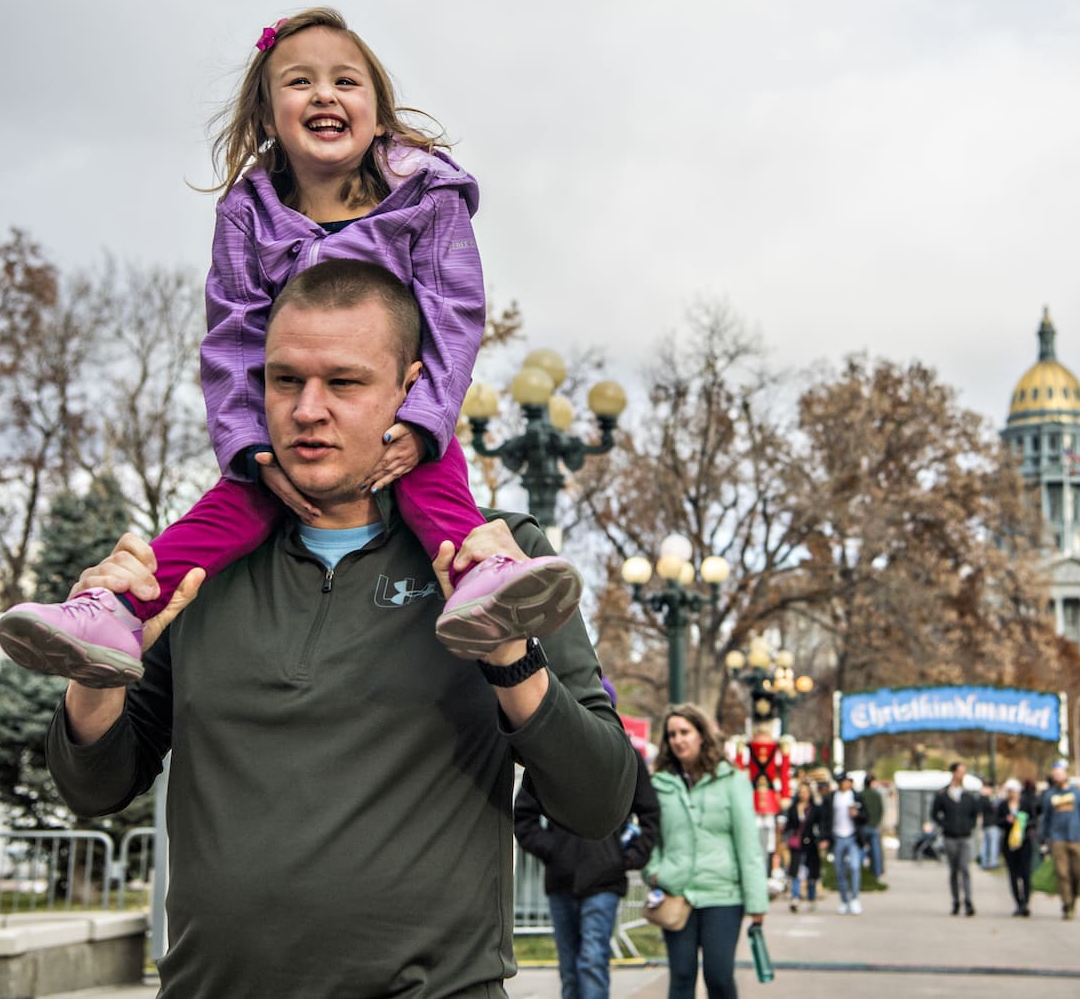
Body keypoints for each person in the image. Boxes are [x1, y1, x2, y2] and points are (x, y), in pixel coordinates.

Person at [44, 260, 637, 997]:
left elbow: (599, 798)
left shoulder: (502, 558)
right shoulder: (194, 562)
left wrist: (510, 653)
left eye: (345, 382)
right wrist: (94, 676)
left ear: (413, 390)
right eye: (285, 379)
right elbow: (94, 788)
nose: (306, 408)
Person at [0, 6, 581, 687]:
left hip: (400, 414)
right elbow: (235, 336)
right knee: (223, 512)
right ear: (270, 115)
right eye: (300, 82)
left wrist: (425, 421)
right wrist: (250, 448)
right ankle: (118, 609)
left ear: (377, 110)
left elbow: (454, 312)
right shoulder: (249, 214)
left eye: (346, 81)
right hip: (291, 437)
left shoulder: (427, 196)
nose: (325, 94)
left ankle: (482, 583)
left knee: (437, 487)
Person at [514, 686, 660, 999]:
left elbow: (649, 815)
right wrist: (552, 851)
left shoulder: (627, 759)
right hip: (562, 879)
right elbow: (523, 817)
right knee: (569, 967)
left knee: (592, 961)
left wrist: (627, 858)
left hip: (604, 879)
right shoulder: (552, 755)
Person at [646, 704, 768, 999]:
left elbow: (748, 845)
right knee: (682, 975)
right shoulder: (659, 783)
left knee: (719, 976)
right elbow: (651, 835)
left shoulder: (732, 780)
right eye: (672, 734)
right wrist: (655, 871)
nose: (678, 740)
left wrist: (757, 903)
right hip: (677, 892)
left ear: (702, 735)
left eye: (685, 732)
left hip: (723, 895)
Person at [1042, 758, 1080, 920]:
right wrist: (1044, 839)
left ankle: (1073, 899)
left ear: (1066, 774)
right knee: (1062, 873)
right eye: (1054, 774)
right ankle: (1066, 904)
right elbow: (1046, 818)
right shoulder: (1049, 796)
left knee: (1076, 873)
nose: (1057, 777)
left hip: (1076, 837)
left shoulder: (1078, 794)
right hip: (1057, 838)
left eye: (1059, 773)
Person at [930, 761, 986, 916]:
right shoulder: (943, 795)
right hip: (950, 837)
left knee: (965, 869)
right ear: (954, 773)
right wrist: (945, 825)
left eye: (964, 772)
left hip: (965, 836)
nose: (962, 775)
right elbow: (934, 814)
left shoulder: (968, 796)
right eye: (960, 772)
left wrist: (970, 826)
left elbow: (974, 814)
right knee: (954, 871)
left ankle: (968, 900)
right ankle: (956, 900)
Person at [824, 771, 867, 915]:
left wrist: (857, 814)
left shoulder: (856, 796)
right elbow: (826, 820)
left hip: (853, 837)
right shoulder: (831, 798)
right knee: (839, 870)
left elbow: (866, 816)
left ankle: (854, 898)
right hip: (837, 837)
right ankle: (844, 900)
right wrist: (824, 838)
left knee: (854, 867)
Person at [996, 778, 1040, 916]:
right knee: (1013, 874)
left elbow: (1034, 820)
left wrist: (1023, 822)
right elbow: (997, 820)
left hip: (1024, 842)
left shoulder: (1026, 804)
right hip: (1009, 843)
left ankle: (1025, 902)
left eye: (1014, 791)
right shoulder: (1003, 805)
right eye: (1010, 791)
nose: (1012, 794)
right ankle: (1018, 902)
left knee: (1025, 873)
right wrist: (1007, 820)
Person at [781, 780, 824, 912]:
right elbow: (788, 825)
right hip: (797, 844)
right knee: (796, 871)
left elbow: (820, 825)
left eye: (806, 792)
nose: (803, 794)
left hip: (811, 843)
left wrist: (822, 840)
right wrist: (784, 837)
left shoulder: (815, 809)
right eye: (801, 792)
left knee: (811, 872)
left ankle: (811, 898)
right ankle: (795, 897)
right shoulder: (793, 808)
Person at [862, 775, 887, 880]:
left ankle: (860, 872)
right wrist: (877, 823)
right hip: (874, 827)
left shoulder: (861, 794)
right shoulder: (877, 795)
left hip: (863, 826)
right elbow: (881, 811)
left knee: (860, 849)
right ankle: (876, 874)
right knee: (876, 851)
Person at [979, 781, 1004, 870]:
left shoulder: (984, 798)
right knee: (992, 844)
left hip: (987, 824)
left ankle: (985, 862)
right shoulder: (987, 799)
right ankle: (992, 862)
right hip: (992, 824)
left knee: (986, 844)